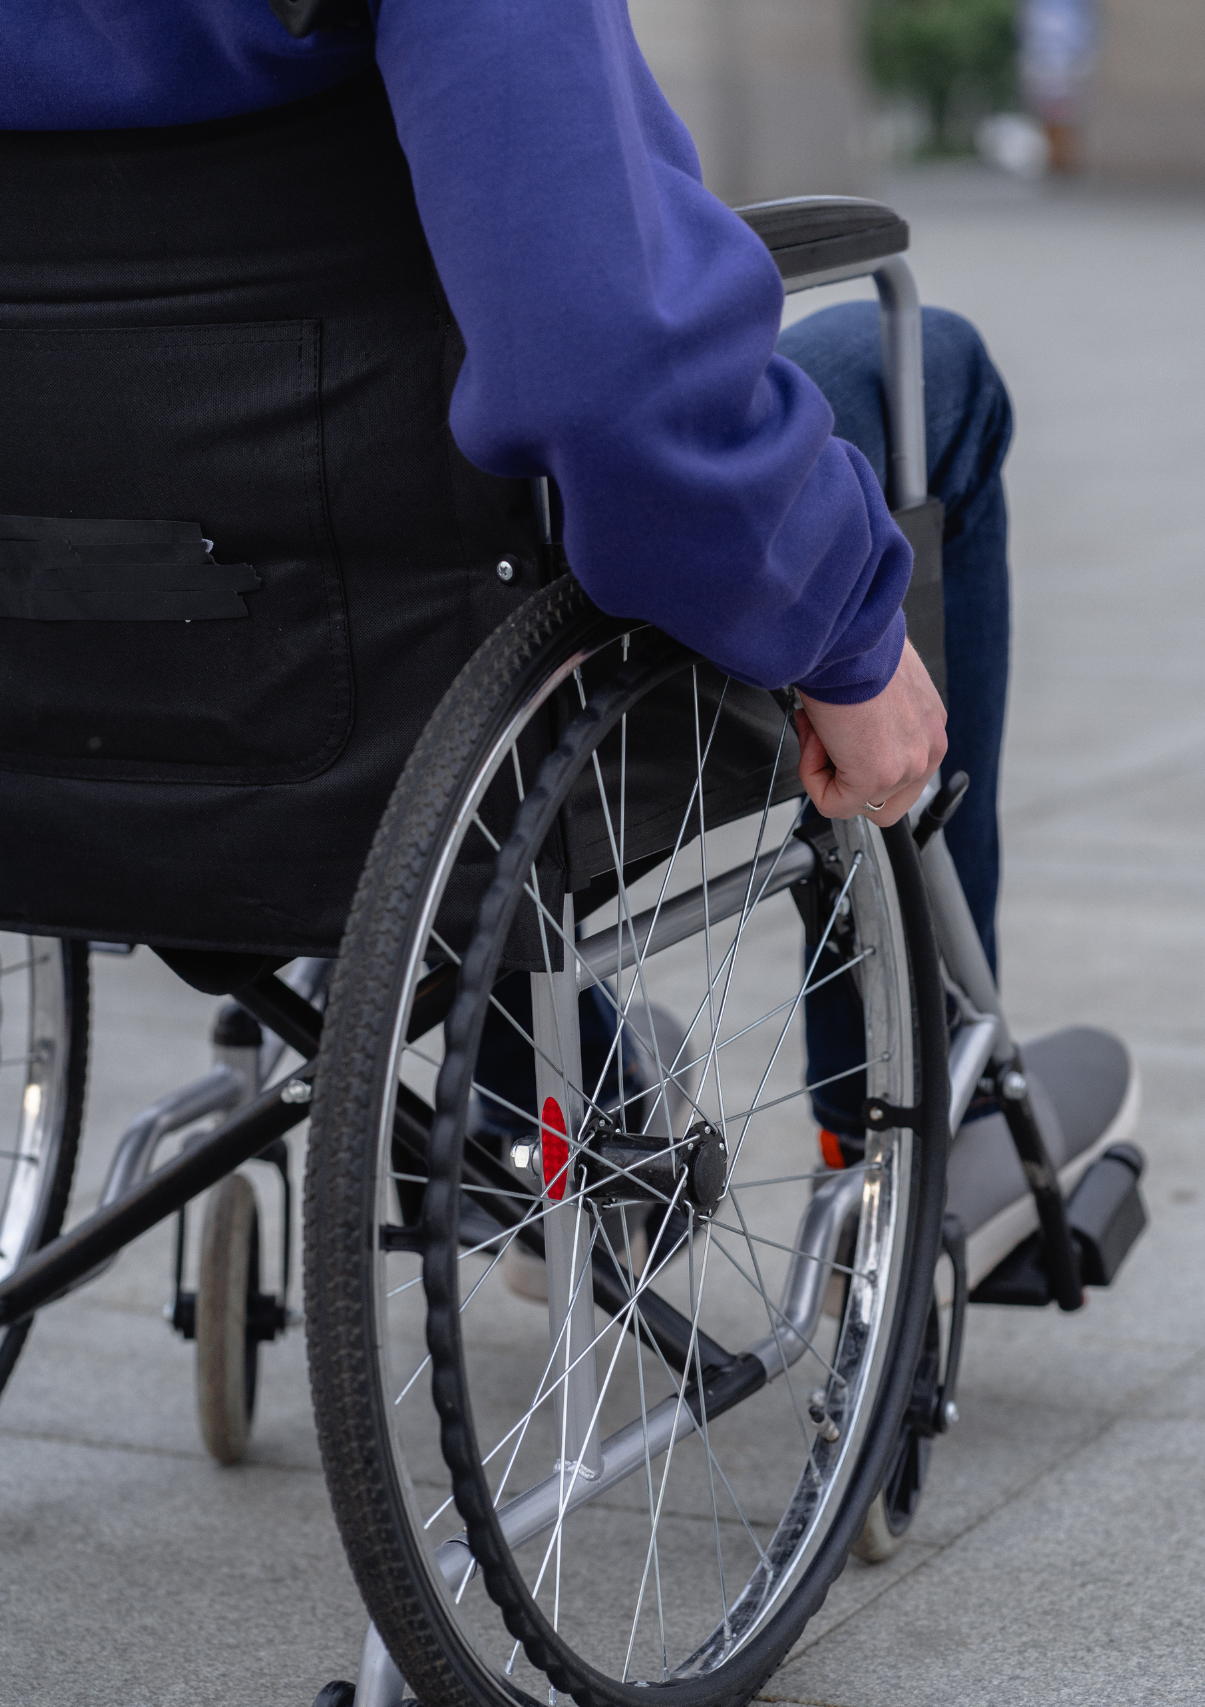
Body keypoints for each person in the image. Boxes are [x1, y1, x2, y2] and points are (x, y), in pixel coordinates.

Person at [0, 2, 1006, 1134]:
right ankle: (909, 1128)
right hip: (392, 669)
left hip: (60, 669)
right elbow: (606, 389)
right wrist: (849, 623)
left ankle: (520, 1096)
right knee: (928, 367)